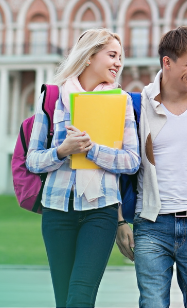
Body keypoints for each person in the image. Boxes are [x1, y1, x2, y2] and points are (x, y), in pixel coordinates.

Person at [115, 26, 187, 308]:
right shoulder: (137, 106)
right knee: (153, 304)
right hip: (151, 226)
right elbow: (117, 168)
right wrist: (119, 220)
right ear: (167, 62)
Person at [26, 28, 140, 308]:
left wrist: (92, 150)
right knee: (64, 300)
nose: (118, 63)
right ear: (89, 56)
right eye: (112, 55)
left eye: (120, 57)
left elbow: (132, 160)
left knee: (80, 297)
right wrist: (62, 151)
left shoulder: (121, 101)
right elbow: (33, 160)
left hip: (100, 211)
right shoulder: (52, 98)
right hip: (57, 210)